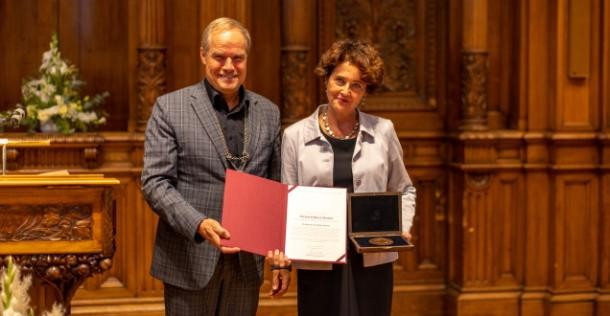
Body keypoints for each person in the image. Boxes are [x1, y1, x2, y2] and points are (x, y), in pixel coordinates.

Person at [141, 17, 290, 316]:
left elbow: (277, 191)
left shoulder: (269, 113)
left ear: (247, 59)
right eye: (220, 56)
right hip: (191, 257)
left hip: (247, 263)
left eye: (238, 58)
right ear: (203, 55)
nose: (229, 66)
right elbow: (155, 182)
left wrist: (281, 258)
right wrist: (198, 223)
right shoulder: (171, 108)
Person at [281, 39, 417, 316]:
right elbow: (286, 202)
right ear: (326, 80)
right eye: (340, 80)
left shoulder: (384, 131)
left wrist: (401, 224)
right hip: (317, 256)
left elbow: (405, 189)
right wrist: (280, 259)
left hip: (373, 256)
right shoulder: (294, 135)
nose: (346, 91)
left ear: (365, 90)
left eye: (356, 85)